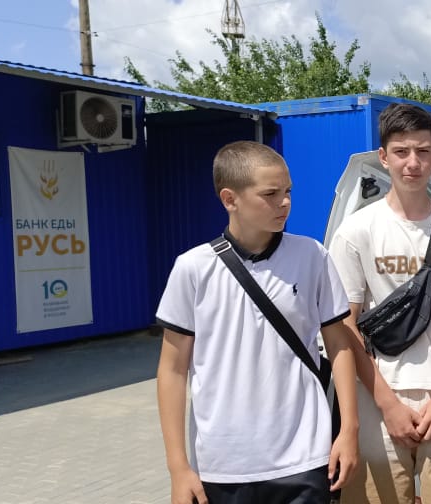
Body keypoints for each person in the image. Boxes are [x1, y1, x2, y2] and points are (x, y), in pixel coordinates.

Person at [155, 141, 360, 504]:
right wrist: (178, 467)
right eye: (270, 194)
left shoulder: (312, 256)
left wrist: (348, 431)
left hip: (305, 456)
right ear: (229, 199)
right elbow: (172, 370)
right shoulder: (193, 268)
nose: (285, 202)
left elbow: (339, 344)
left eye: (288, 192)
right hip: (223, 464)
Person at [328, 103, 431, 503]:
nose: (412, 163)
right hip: (376, 396)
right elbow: (344, 325)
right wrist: (388, 404)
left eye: (422, 151)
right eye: (401, 152)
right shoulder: (356, 231)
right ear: (384, 157)